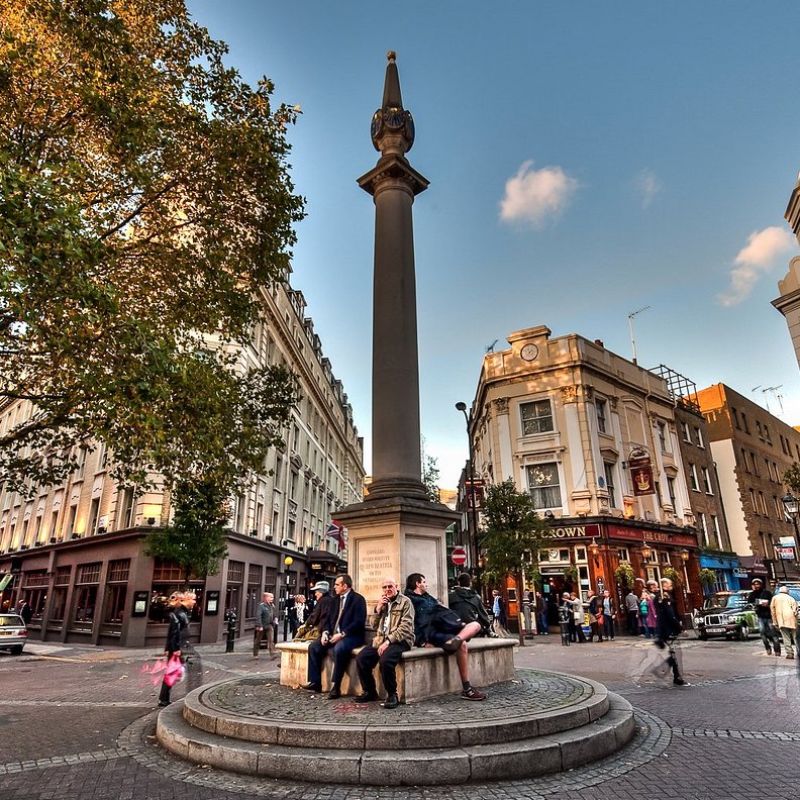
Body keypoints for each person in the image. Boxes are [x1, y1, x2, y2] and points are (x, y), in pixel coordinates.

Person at [405, 572, 486, 700]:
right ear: (418, 584)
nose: (426, 584)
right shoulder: (410, 600)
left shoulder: (429, 598)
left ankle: (457, 639)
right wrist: (421, 642)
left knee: (476, 625)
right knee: (463, 645)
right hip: (433, 632)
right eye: (424, 582)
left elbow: (443, 612)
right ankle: (467, 688)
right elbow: (411, 623)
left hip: (447, 627)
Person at [354, 577, 415, 709]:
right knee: (361, 658)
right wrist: (378, 609)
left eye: (390, 586)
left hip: (400, 640)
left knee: (385, 661)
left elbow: (406, 627)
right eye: (385, 587)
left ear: (396, 587)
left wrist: (388, 641)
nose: (387, 589)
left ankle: (392, 694)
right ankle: (370, 691)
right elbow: (373, 625)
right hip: (381, 639)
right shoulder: (383, 602)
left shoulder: (405, 602)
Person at [303, 574, 366, 699]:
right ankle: (315, 682)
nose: (334, 587)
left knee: (339, 649)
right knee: (314, 647)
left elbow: (358, 622)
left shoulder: (358, 599)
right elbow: (327, 619)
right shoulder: (334, 600)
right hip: (333, 635)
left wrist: (342, 634)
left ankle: (336, 686)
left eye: (337, 584)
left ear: (345, 586)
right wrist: (325, 632)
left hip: (351, 636)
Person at [654, 578, 687, 686]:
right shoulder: (664, 598)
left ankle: (675, 675)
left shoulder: (659, 597)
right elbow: (670, 615)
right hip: (668, 630)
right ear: (664, 586)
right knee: (674, 654)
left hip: (662, 630)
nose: (671, 586)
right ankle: (675, 676)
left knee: (672, 653)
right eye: (669, 585)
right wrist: (679, 627)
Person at [158, 591, 189, 707]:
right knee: (172, 672)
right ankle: (164, 699)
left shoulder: (175, 613)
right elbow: (175, 632)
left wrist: (168, 647)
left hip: (173, 648)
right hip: (175, 648)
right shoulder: (178, 613)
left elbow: (171, 632)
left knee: (172, 672)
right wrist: (176, 649)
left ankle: (164, 698)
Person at [748, 578, 781, 656]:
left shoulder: (767, 593)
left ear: (761, 584)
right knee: (762, 633)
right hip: (760, 616)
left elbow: (773, 603)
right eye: (755, 584)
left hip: (769, 616)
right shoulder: (752, 594)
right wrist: (754, 605)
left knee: (773, 634)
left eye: (758, 584)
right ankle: (768, 648)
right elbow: (749, 604)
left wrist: (767, 604)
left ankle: (777, 650)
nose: (756, 586)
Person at [770, 585, 798, 660]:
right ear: (787, 592)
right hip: (792, 619)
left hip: (781, 620)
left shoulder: (774, 598)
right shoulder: (791, 598)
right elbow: (795, 610)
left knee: (786, 637)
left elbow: (773, 611)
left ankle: (790, 654)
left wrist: (775, 622)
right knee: (796, 637)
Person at [254, 592, 277, 659]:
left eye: (272, 597)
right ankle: (255, 654)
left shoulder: (272, 605)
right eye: (271, 597)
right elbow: (258, 616)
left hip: (269, 625)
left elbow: (273, 614)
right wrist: (260, 625)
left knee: (271, 640)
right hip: (262, 625)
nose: (272, 599)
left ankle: (272, 654)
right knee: (258, 640)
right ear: (266, 598)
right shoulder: (261, 606)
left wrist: (275, 620)